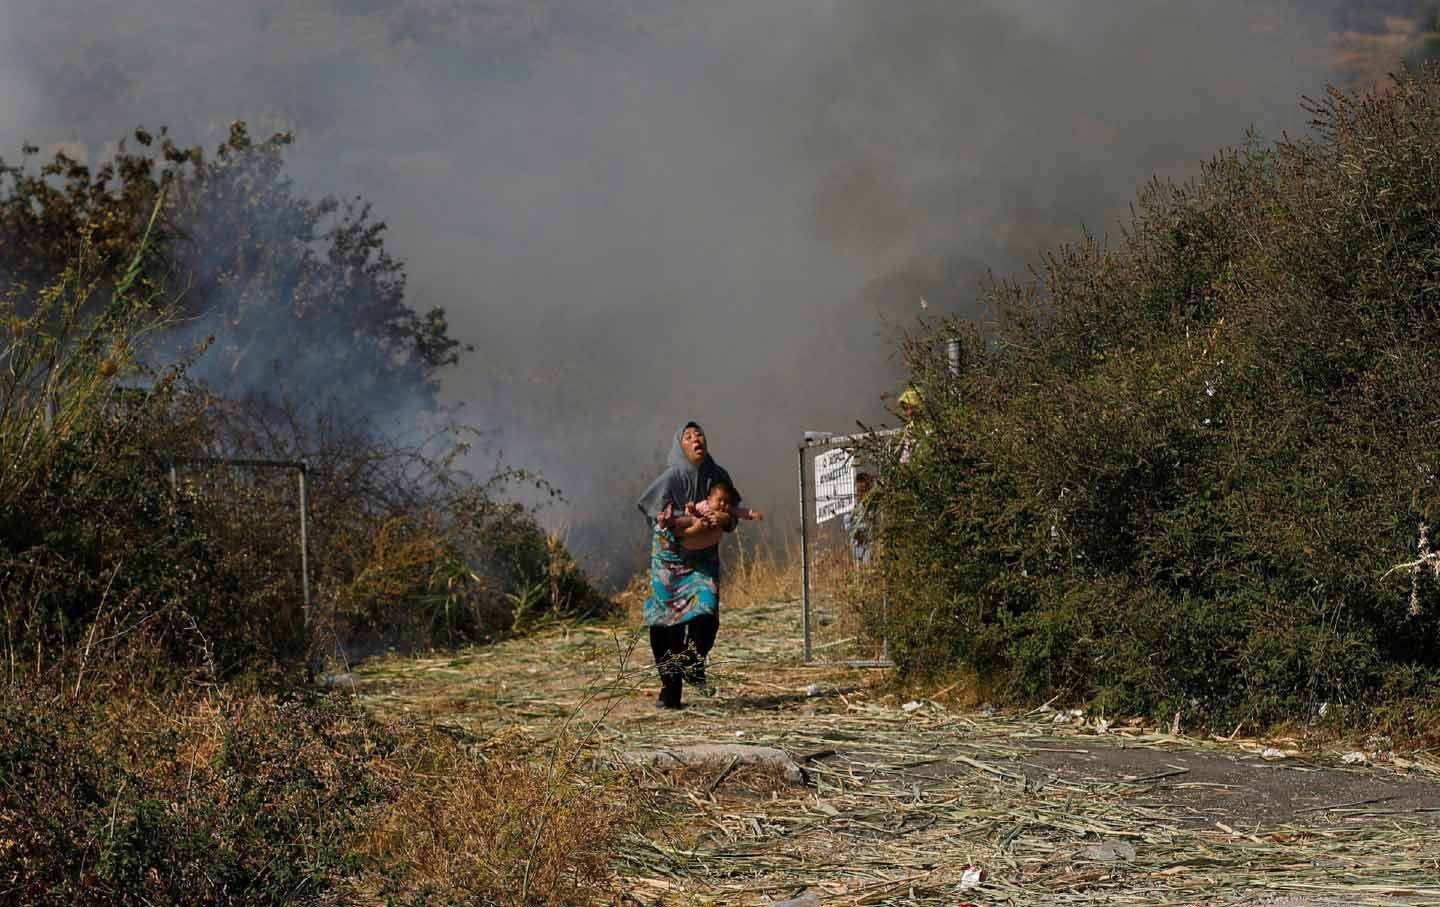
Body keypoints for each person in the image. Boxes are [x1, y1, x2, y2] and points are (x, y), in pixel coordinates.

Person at [636, 421, 740, 709]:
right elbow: (654, 513)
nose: (696, 439)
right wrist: (682, 523)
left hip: (703, 561)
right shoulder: (671, 478)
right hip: (670, 561)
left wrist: (727, 520)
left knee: (706, 614)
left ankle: (693, 663)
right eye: (688, 436)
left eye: (700, 434)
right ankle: (670, 690)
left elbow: (733, 514)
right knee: (665, 626)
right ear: (679, 447)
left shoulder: (718, 476)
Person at [657, 479, 763, 550]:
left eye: (726, 502)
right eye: (719, 500)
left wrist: (752, 514)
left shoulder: (728, 511)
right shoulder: (704, 505)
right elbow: (690, 513)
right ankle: (666, 521)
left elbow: (741, 512)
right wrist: (691, 508)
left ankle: (676, 526)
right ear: (709, 499)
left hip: (708, 538)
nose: (723, 504)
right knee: (686, 520)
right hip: (695, 525)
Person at [843, 471, 875, 566]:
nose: (860, 494)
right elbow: (847, 525)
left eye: (863, 491)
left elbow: (872, 526)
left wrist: (858, 528)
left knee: (868, 568)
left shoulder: (872, 506)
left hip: (868, 546)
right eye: (858, 491)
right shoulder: (852, 507)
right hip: (856, 548)